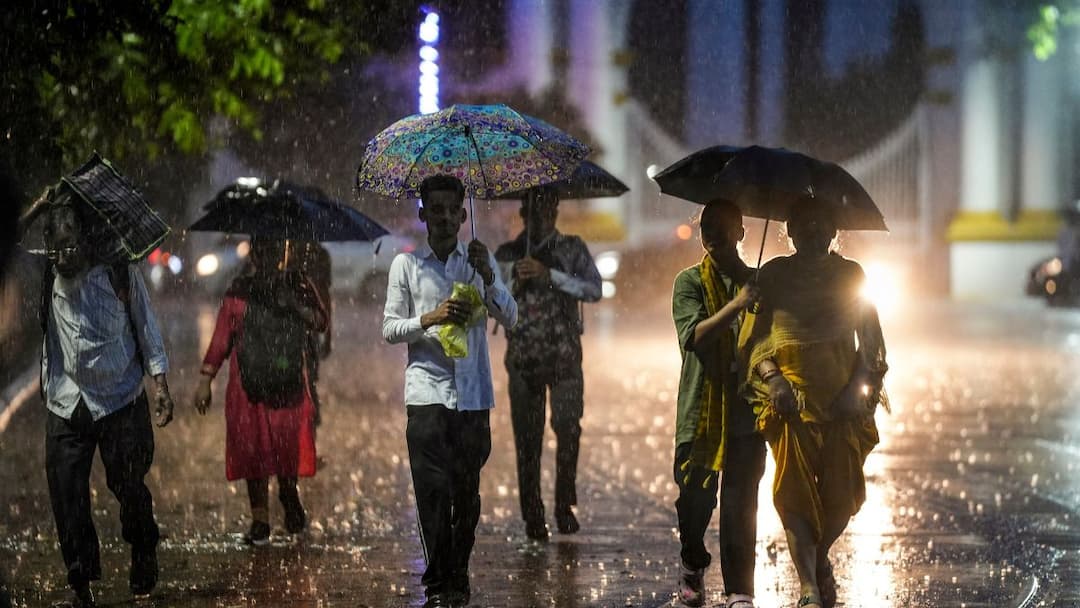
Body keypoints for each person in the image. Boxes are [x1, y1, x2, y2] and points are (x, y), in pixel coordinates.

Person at [23, 190, 175, 608]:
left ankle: (144, 547)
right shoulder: (48, 275)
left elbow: (147, 328)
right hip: (65, 401)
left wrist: (159, 386)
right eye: (54, 242)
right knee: (66, 495)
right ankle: (81, 582)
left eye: (70, 240)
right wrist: (37, 208)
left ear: (87, 238)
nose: (62, 252)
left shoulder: (118, 272)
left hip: (120, 399)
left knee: (129, 487)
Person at [737, 196, 888, 608]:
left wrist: (859, 389)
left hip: (843, 408)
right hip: (790, 406)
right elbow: (751, 342)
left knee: (843, 497)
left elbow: (872, 345)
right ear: (790, 231)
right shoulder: (773, 276)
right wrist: (774, 379)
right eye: (804, 224)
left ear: (834, 232)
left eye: (821, 224)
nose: (813, 231)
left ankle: (818, 559)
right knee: (795, 495)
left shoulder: (851, 275)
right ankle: (808, 586)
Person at [382, 174, 517, 608]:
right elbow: (389, 329)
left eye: (449, 210)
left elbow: (510, 317)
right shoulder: (406, 266)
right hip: (426, 395)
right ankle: (441, 583)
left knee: (467, 496)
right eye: (433, 210)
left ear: (463, 215)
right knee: (432, 495)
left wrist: (490, 276)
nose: (442, 217)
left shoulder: (478, 260)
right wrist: (430, 318)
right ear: (422, 215)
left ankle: (457, 570)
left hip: (473, 396)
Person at [193, 238, 328, 545]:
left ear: (287, 253)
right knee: (253, 452)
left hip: (288, 385)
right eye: (264, 250)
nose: (271, 258)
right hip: (247, 389)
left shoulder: (298, 285)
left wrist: (294, 303)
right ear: (254, 254)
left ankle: (288, 491)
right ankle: (260, 520)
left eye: (277, 250)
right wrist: (205, 380)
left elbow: (320, 322)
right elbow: (221, 338)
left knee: (286, 447)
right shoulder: (239, 290)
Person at [670, 200, 766, 608]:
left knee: (741, 506)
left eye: (724, 225)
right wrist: (737, 306)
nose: (713, 232)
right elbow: (694, 337)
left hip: (745, 412)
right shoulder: (688, 282)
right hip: (700, 412)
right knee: (694, 502)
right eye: (707, 224)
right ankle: (693, 563)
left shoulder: (759, 284)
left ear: (741, 232)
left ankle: (739, 591)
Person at [494, 186, 601, 540]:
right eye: (534, 211)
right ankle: (532, 514)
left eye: (548, 209)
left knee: (569, 431)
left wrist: (551, 277)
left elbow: (594, 289)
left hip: (566, 357)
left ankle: (564, 505)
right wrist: (515, 283)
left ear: (556, 211)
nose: (541, 217)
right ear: (523, 214)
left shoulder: (572, 248)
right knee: (528, 440)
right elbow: (491, 303)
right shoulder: (509, 253)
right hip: (523, 359)